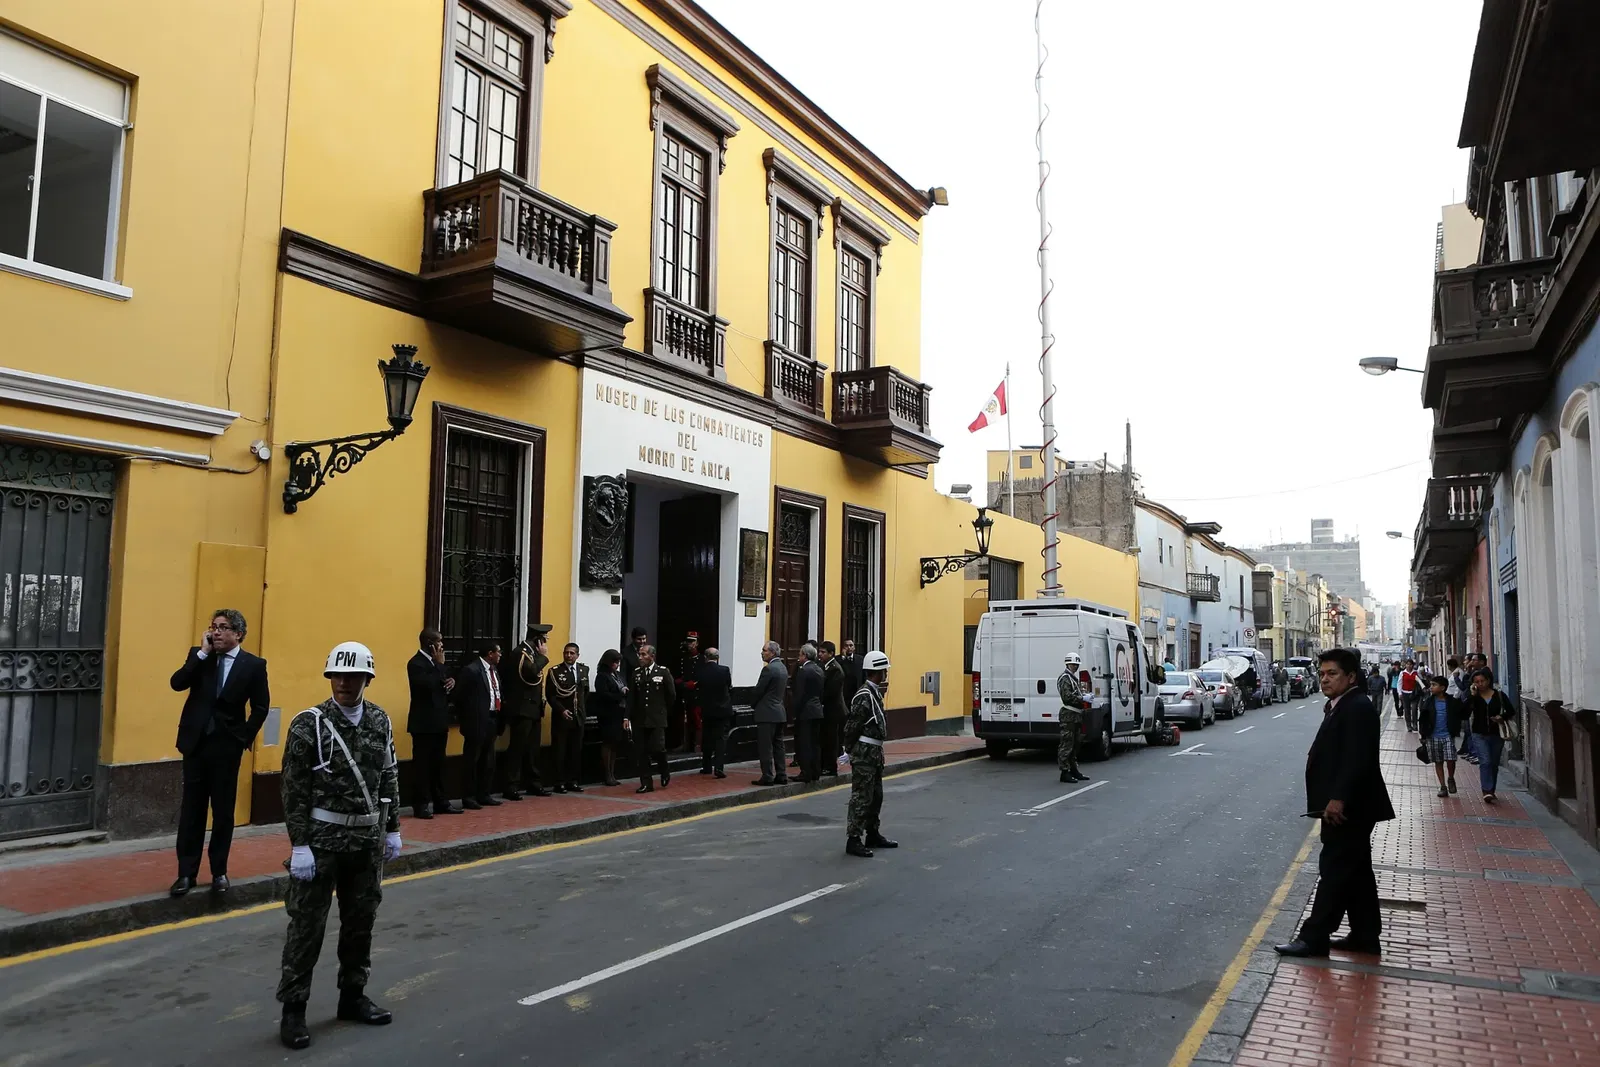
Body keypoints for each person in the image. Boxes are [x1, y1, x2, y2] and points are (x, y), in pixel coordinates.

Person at [277, 641, 400, 1050]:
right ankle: (294, 1009)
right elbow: (294, 791)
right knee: (306, 928)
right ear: (330, 677)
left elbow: (388, 778)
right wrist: (299, 846)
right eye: (338, 676)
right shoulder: (307, 724)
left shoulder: (380, 721)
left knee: (359, 924)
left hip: (365, 842)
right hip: (321, 844)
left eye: (353, 677)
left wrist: (393, 828)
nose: (345, 683)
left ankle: (353, 996)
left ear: (367, 679)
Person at [1275, 648, 1395, 959]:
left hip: (1350, 807)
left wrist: (1338, 798)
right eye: (1322, 673)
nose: (1324, 679)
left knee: (1335, 869)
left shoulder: (1356, 707)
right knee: (1357, 872)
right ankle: (1366, 934)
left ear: (1351, 677)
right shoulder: (1344, 704)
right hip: (1352, 804)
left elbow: (1357, 759)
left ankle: (1315, 937)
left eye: (1332, 674)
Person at [169, 608, 271, 897]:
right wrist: (201, 655)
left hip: (227, 746)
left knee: (223, 812)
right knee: (192, 810)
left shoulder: (253, 665)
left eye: (223, 627)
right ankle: (186, 873)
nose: (215, 632)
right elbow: (177, 683)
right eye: (213, 626)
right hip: (196, 743)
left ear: (237, 634)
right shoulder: (200, 657)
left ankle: (219, 872)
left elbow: (261, 707)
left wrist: (243, 738)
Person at [844, 649, 896, 858]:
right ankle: (853, 838)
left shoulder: (874, 692)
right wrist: (848, 750)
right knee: (861, 797)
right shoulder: (864, 696)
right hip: (865, 753)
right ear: (877, 671)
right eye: (884, 670)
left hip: (874, 752)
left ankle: (872, 833)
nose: (885, 673)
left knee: (876, 796)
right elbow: (852, 726)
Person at [405, 629, 459, 818]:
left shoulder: (436, 664)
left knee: (439, 764)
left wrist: (451, 681)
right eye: (439, 641)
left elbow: (443, 684)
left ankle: (441, 801)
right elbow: (427, 685)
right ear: (430, 644)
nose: (442, 645)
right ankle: (421, 805)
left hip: (439, 722)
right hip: (423, 724)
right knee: (422, 766)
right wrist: (440, 666)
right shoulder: (416, 664)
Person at [502, 623, 553, 800]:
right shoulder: (520, 653)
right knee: (517, 748)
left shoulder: (531, 653)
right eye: (544, 639)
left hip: (533, 709)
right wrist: (543, 657)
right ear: (537, 639)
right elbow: (530, 673)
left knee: (532, 749)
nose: (546, 643)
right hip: (522, 709)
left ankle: (534, 783)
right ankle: (511, 785)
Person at [454, 642, 504, 809]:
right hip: (475, 722)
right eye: (498, 652)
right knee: (472, 760)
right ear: (490, 653)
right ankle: (468, 797)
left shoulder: (494, 669)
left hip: (492, 719)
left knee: (488, 760)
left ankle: (484, 794)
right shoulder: (472, 670)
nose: (500, 655)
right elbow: (460, 697)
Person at [628, 644, 674, 793]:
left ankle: (664, 769)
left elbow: (671, 695)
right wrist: (626, 717)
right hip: (640, 719)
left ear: (652, 656)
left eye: (643, 655)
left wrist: (662, 711)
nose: (640, 657)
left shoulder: (663, 672)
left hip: (657, 719)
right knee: (641, 752)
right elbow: (632, 698)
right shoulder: (636, 673)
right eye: (639, 655)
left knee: (657, 748)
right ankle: (646, 783)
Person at [1466, 667, 1515, 803]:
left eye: (1482, 681)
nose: (1480, 684)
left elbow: (1511, 711)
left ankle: (1491, 789)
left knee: (1493, 763)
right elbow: (1463, 712)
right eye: (1476, 682)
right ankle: (1486, 790)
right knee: (1485, 761)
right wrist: (1471, 696)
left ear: (1488, 681)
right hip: (1478, 733)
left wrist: (1501, 716)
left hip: (1496, 734)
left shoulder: (1499, 695)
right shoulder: (1474, 697)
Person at [545, 642, 588, 793]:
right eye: (566, 653)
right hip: (562, 717)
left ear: (577, 655)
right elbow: (551, 696)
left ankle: (573, 781)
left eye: (572, 653)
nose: (568, 655)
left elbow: (584, 692)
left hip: (578, 717)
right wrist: (562, 710)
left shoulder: (583, 670)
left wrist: (582, 712)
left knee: (575, 751)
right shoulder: (555, 671)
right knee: (560, 751)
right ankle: (559, 782)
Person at [1419, 674, 1465, 798]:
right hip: (1432, 736)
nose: (1431, 687)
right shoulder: (1428, 701)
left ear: (1443, 688)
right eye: (1431, 685)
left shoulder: (1452, 702)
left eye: (1434, 685)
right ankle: (1443, 786)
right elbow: (1422, 719)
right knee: (1438, 761)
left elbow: (1463, 712)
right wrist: (1423, 735)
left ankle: (1450, 778)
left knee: (1451, 759)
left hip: (1448, 735)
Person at [751, 640, 790, 786]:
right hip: (779, 711)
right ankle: (781, 774)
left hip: (767, 713)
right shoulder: (783, 667)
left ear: (772, 652)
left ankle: (767, 775)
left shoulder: (768, 669)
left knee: (765, 746)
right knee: (778, 745)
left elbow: (759, 690)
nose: (762, 652)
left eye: (764, 650)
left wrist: (752, 704)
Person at [591, 650, 629, 786]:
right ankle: (607, 774)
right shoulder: (602, 676)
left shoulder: (618, 675)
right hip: (607, 714)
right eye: (614, 662)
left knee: (615, 744)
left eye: (618, 662)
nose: (617, 665)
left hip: (618, 713)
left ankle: (613, 773)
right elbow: (603, 695)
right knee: (608, 743)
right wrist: (620, 695)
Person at [696, 647, 733, 777]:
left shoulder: (701, 671)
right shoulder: (724, 670)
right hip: (723, 710)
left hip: (707, 710)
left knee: (707, 738)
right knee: (720, 740)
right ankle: (719, 768)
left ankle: (706, 766)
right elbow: (729, 686)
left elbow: (699, 688)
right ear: (717, 658)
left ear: (705, 657)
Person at [793, 643, 826, 782]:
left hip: (806, 711)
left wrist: (795, 711)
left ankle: (805, 772)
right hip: (817, 709)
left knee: (805, 743)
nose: (798, 657)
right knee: (815, 743)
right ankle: (815, 771)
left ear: (805, 655)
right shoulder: (819, 670)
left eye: (800, 654)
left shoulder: (804, 671)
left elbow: (800, 693)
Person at [1056, 652, 1090, 784]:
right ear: (1068, 664)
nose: (1075, 667)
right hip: (1069, 715)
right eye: (1073, 664)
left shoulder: (1072, 678)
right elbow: (1067, 697)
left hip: (1076, 715)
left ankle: (1074, 770)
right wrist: (1082, 698)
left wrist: (1085, 696)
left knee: (1075, 745)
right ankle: (1064, 772)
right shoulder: (1065, 678)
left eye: (1076, 665)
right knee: (1067, 744)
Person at [819, 641, 847, 777]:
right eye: (820, 652)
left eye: (823, 652)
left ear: (831, 654)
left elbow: (831, 692)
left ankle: (831, 767)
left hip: (833, 710)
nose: (820, 655)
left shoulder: (835, 669)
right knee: (825, 738)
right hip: (827, 709)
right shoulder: (824, 666)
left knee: (831, 740)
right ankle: (825, 765)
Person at [675, 632, 703, 754]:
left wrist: (693, 684)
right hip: (685, 693)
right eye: (688, 641)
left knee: (697, 720)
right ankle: (685, 744)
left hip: (696, 694)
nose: (690, 644)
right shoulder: (684, 658)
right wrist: (680, 682)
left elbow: (702, 677)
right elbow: (681, 675)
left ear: (697, 643)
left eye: (692, 641)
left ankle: (698, 745)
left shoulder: (701, 659)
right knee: (684, 720)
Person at [1399, 660, 1422, 731]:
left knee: (1414, 709)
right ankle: (1408, 725)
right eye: (1408, 664)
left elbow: (1420, 681)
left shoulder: (1416, 672)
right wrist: (1400, 693)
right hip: (1405, 693)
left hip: (1414, 693)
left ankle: (1415, 724)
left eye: (1411, 664)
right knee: (1407, 709)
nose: (1409, 666)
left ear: (1413, 665)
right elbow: (1399, 683)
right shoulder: (1402, 673)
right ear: (1405, 665)